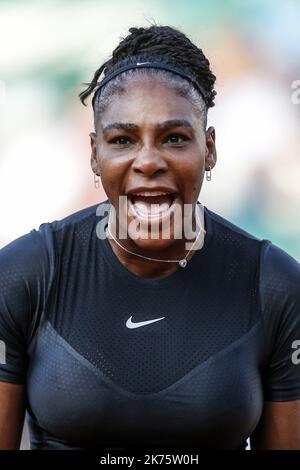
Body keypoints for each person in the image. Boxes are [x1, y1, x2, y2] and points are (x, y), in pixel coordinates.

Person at [0, 24, 300, 451]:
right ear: (94, 154)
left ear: (209, 148)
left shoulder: (275, 286)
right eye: (122, 140)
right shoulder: (21, 277)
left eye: (174, 138)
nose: (148, 161)